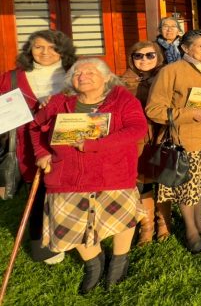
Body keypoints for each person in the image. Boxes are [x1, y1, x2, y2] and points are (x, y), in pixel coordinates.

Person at [29, 58, 148, 293]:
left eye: (90, 72)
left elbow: (137, 129)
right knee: (71, 225)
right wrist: (42, 153)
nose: (82, 76)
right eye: (77, 73)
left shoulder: (122, 99)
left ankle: (119, 261)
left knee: (121, 220)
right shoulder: (59, 102)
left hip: (114, 172)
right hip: (67, 176)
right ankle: (93, 264)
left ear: (106, 78)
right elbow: (35, 128)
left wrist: (96, 144)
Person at [145, 29, 201, 253]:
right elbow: (154, 109)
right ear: (185, 48)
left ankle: (200, 224)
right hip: (186, 140)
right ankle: (191, 232)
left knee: (200, 186)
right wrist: (190, 114)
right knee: (187, 189)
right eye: (200, 46)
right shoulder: (171, 72)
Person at [0, 30, 77, 265]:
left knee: (68, 193)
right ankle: (41, 244)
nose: (45, 53)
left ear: (63, 51)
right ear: (29, 49)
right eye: (38, 47)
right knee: (36, 196)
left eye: (53, 47)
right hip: (26, 147)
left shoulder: (75, 75)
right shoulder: (11, 78)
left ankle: (72, 236)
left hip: (68, 144)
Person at [120, 41, 172, 246]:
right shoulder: (119, 83)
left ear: (158, 56)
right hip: (136, 139)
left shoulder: (166, 77)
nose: (144, 60)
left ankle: (164, 222)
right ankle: (147, 225)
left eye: (150, 55)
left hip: (161, 134)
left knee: (163, 179)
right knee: (142, 182)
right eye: (138, 55)